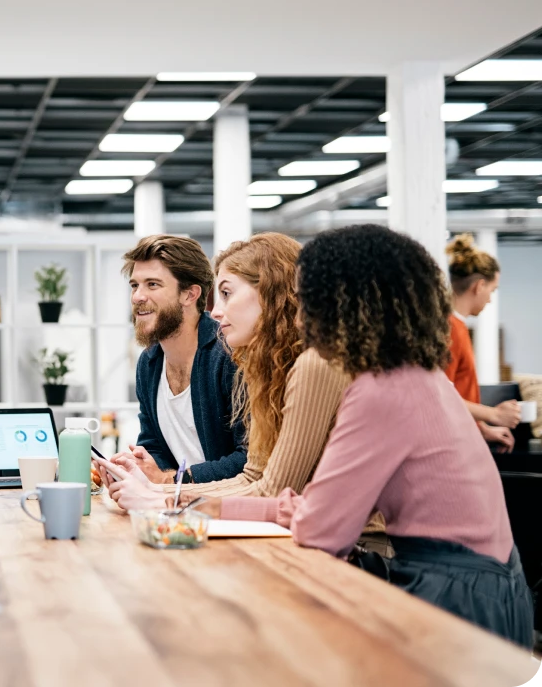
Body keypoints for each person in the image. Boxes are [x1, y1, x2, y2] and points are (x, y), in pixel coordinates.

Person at [196, 224, 534, 647]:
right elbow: (321, 513)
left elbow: (322, 529)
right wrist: (210, 507)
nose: (299, 316)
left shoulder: (378, 391)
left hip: (459, 598)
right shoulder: (413, 374)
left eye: (308, 300)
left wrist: (207, 508)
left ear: (343, 304)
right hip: (485, 584)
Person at [101, 233, 352, 512]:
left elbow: (274, 489)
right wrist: (155, 487)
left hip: (348, 545)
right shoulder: (152, 362)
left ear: (271, 293)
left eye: (226, 294)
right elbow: (255, 478)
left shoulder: (311, 364)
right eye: (134, 285)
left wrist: (164, 495)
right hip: (305, 529)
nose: (216, 311)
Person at [111, 234, 246, 485]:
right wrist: (138, 469)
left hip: (224, 510)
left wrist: (174, 480)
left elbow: (249, 458)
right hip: (176, 508)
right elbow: (154, 446)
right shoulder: (149, 362)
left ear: (190, 294)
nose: (137, 297)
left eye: (152, 284)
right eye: (134, 285)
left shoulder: (230, 356)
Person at [444, 234, 519, 451]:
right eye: (491, 290)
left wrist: (482, 428)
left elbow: (456, 392)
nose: (490, 298)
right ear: (479, 286)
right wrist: (494, 414)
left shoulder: (457, 327)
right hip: (452, 444)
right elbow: (441, 396)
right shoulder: (450, 330)